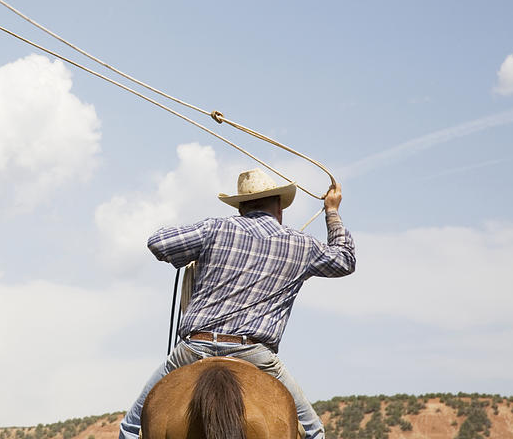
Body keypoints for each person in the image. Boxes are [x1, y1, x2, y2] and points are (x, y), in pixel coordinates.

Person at [119, 168, 355, 439]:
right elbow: (345, 259)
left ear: (241, 207)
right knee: (314, 432)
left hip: (195, 349)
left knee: (130, 428)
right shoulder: (301, 245)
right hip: (255, 353)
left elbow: (158, 243)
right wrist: (332, 211)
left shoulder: (216, 227)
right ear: (279, 207)